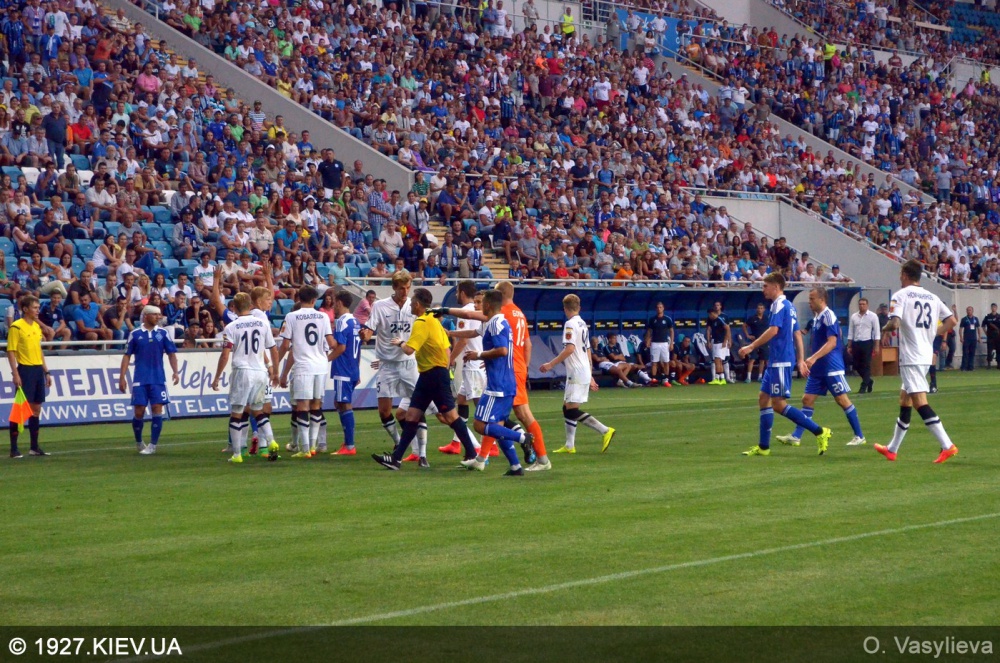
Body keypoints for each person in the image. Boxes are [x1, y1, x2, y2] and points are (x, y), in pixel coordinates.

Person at [439, 280, 550, 470]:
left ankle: (541, 458)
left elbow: (469, 315)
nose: (480, 304)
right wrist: (522, 367)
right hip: (514, 368)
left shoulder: (501, 315)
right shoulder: (519, 314)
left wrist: (444, 310)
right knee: (496, 419)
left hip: (507, 371)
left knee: (521, 416)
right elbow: (527, 344)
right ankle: (486, 459)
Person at [371, 288, 479, 470]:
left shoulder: (421, 322)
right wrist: (445, 366)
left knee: (450, 416)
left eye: (412, 303)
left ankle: (473, 453)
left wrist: (400, 342)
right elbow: (446, 347)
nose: (410, 306)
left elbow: (409, 350)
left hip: (433, 374)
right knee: (411, 415)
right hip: (429, 374)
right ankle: (396, 459)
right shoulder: (433, 320)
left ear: (417, 304)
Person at [738, 273, 833, 457]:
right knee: (763, 398)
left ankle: (820, 431)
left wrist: (751, 346)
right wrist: (800, 359)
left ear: (776, 287)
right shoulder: (789, 306)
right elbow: (797, 333)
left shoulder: (779, 305)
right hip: (778, 360)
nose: (763, 289)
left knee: (779, 404)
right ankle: (763, 447)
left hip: (780, 361)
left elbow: (774, 330)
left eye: (765, 286)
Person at [876, 260, 959, 463]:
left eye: (900, 274)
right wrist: (932, 333)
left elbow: (895, 323)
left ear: (905, 274)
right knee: (905, 399)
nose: (899, 277)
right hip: (925, 353)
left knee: (920, 402)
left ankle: (947, 445)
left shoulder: (900, 295)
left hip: (911, 356)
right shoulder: (932, 296)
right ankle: (892, 449)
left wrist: (882, 330)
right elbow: (952, 321)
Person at [776, 288, 867, 448]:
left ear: (821, 299)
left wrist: (813, 358)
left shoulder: (828, 315)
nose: (809, 302)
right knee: (807, 399)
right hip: (818, 368)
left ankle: (859, 435)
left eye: (812, 299)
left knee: (842, 400)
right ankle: (796, 436)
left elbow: (832, 342)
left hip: (831, 367)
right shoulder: (817, 317)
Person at [456, 290, 535, 475]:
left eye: (481, 303)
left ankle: (523, 438)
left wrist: (479, 355)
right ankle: (515, 466)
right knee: (497, 427)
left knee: (480, 425)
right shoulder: (497, 322)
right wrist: (450, 332)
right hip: (504, 382)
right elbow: (475, 333)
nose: (479, 306)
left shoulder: (496, 323)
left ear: (488, 305)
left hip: (498, 386)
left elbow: (502, 350)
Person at [366, 270, 431, 463]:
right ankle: (398, 443)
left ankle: (423, 455)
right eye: (402, 288)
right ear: (394, 287)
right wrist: (365, 335)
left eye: (408, 288)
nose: (405, 292)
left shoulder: (414, 306)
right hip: (387, 364)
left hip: (409, 363)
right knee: (384, 411)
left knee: (418, 408)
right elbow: (369, 329)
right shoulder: (380, 306)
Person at [540, 294, 616, 454]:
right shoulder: (582, 324)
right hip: (582, 370)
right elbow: (587, 350)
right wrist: (590, 374)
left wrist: (550, 364)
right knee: (567, 407)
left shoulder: (570, 324)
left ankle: (605, 430)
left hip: (576, 371)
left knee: (571, 410)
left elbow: (570, 349)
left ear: (565, 309)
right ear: (579, 307)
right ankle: (569, 445)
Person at [212, 292, 279, 463]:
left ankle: (237, 454)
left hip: (243, 371)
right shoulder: (262, 323)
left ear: (234, 307)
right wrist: (275, 370)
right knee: (258, 410)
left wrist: (217, 377)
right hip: (260, 371)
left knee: (237, 412)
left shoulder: (231, 327)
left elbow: (225, 355)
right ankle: (271, 441)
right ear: (250, 306)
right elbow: (273, 348)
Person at [276, 285, 335, 458]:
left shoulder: (292, 316)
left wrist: (275, 365)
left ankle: (305, 448)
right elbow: (331, 343)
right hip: (321, 366)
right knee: (316, 405)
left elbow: (285, 345)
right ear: (314, 300)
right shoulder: (323, 316)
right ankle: (314, 445)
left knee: (302, 406)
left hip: (303, 366)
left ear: (298, 298)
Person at [119, 305, 180, 454]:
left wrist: (175, 372)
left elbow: (171, 354)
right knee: (139, 412)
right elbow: (127, 355)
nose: (158, 317)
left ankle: (153, 445)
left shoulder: (163, 333)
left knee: (157, 410)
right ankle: (139, 441)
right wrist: (122, 377)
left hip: (158, 378)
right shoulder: (135, 334)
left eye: (159, 315)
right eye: (155, 314)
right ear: (146, 316)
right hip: (140, 378)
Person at [439, 282, 487, 455]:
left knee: (481, 406)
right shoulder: (476, 310)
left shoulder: (466, 312)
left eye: (457, 292)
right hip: (473, 362)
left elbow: (463, 341)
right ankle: (456, 441)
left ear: (463, 293)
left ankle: (490, 444)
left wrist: (450, 360)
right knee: (461, 400)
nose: (456, 295)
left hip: (473, 364)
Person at [6, 295, 53, 458]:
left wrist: (46, 371)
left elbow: (39, 350)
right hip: (25, 370)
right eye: (34, 308)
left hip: (38, 370)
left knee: (36, 409)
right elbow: (11, 351)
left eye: (38, 308)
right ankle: (14, 448)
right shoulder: (16, 327)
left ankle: (34, 447)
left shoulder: (36, 327)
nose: (37, 310)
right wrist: (15, 373)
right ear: (25, 309)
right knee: (20, 409)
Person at [329, 290, 362, 455]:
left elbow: (341, 347)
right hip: (352, 368)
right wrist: (358, 369)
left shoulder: (341, 322)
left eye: (334, 303)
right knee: (338, 402)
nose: (333, 306)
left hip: (343, 369)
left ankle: (349, 445)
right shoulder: (355, 321)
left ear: (339, 303)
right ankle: (348, 442)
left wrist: (326, 359)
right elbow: (357, 347)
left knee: (344, 403)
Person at [848, 297, 880, 393]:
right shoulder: (854, 316)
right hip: (856, 342)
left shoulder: (873, 316)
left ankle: (863, 386)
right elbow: (851, 331)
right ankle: (869, 381)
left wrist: (876, 346)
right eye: (860, 304)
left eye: (863, 304)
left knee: (866, 364)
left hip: (867, 342)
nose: (861, 306)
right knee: (856, 365)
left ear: (867, 305)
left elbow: (877, 332)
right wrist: (849, 345)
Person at [644, 301, 673, 386]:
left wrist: (671, 343)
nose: (659, 309)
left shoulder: (667, 319)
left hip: (664, 343)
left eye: (660, 307)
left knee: (666, 362)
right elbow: (649, 331)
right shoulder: (652, 319)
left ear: (663, 308)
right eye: (657, 307)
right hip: (654, 343)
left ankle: (666, 379)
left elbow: (671, 331)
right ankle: (653, 379)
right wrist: (647, 340)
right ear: (656, 309)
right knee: (654, 362)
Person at [742, 303, 769, 383]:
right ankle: (748, 377)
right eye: (758, 308)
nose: (760, 310)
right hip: (755, 341)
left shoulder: (766, 318)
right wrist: (748, 335)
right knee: (752, 359)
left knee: (762, 359)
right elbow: (744, 325)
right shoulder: (752, 318)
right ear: (756, 309)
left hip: (764, 341)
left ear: (764, 309)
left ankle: (760, 377)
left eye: (761, 308)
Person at [706, 307, 731, 385]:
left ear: (712, 313)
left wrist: (725, 341)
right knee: (719, 361)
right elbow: (709, 330)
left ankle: (717, 379)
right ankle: (722, 378)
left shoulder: (720, 320)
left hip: (720, 342)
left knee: (717, 360)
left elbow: (727, 329)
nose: (709, 316)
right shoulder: (712, 321)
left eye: (709, 314)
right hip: (716, 342)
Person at [959, 306, 981, 371]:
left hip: (973, 338)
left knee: (972, 353)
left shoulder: (975, 319)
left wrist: (979, 337)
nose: (969, 311)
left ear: (972, 311)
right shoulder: (964, 319)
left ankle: (971, 367)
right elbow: (960, 329)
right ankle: (964, 367)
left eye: (970, 310)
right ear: (966, 311)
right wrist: (961, 337)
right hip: (966, 339)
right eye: (968, 310)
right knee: (965, 353)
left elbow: (978, 328)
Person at [983, 304, 1000, 369]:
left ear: (996, 308)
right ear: (991, 308)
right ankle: (989, 363)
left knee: (999, 349)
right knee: (989, 350)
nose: (993, 308)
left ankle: (998, 363)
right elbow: (983, 325)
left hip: (998, 336)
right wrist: (986, 333)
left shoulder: (999, 316)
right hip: (990, 335)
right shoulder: (987, 316)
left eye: (995, 307)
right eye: (992, 307)